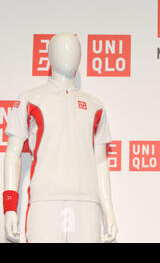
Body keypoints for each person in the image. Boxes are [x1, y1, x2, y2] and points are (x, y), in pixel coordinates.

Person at [3, 33, 118, 243]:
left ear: (81, 55)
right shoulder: (30, 99)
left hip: (86, 204)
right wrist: (10, 207)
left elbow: (101, 161)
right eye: (62, 48)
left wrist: (108, 208)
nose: (68, 54)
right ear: (49, 55)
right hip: (45, 202)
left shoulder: (95, 106)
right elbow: (12, 154)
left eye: (73, 49)